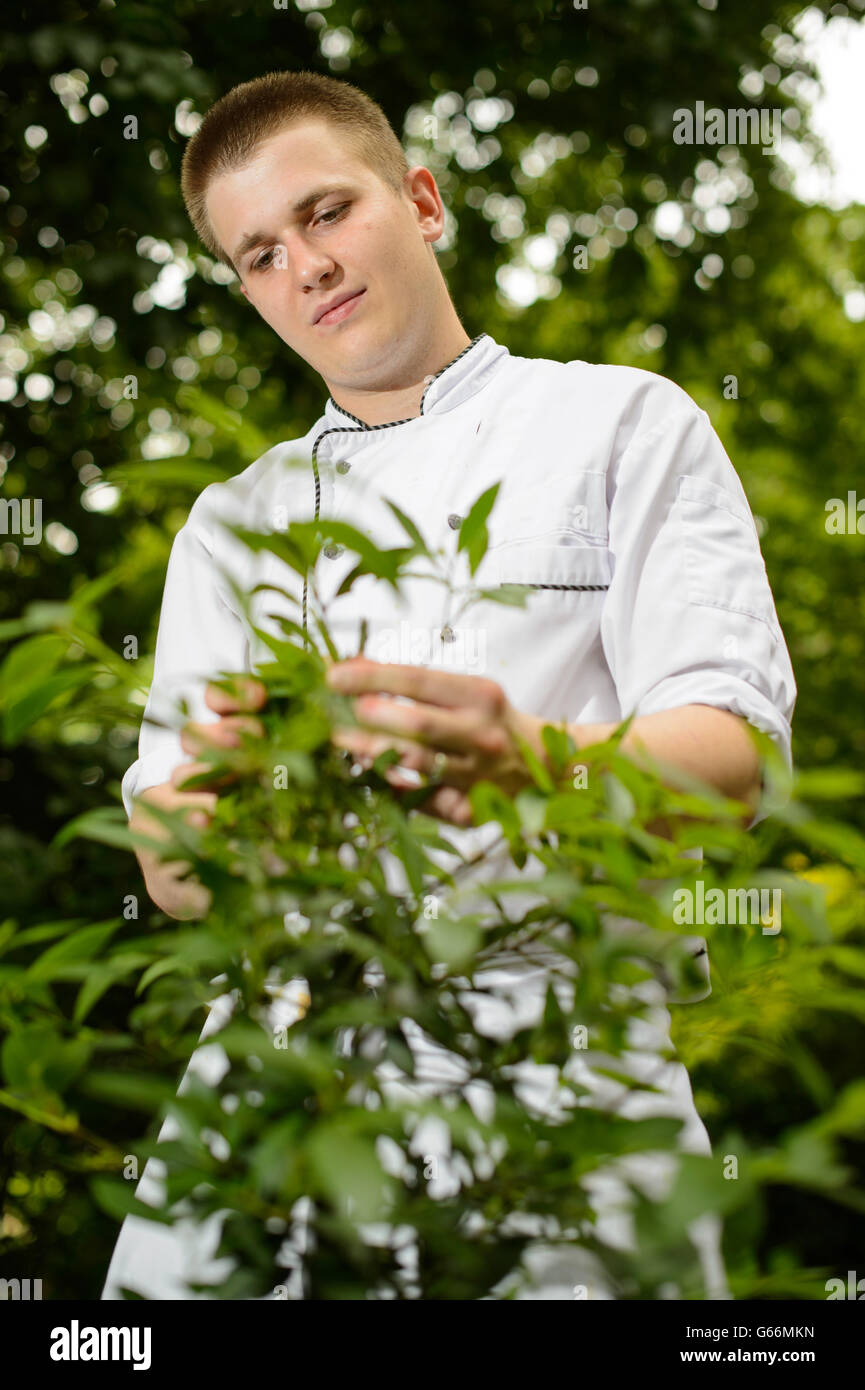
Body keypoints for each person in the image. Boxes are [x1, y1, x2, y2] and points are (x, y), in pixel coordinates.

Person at [101, 69, 796, 1300]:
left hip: (557, 1077)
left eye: (326, 212)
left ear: (421, 201)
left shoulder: (623, 424)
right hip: (267, 1098)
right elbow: (168, 861)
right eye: (260, 254)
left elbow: (734, 758)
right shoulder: (230, 525)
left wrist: (541, 760)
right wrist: (204, 822)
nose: (306, 266)